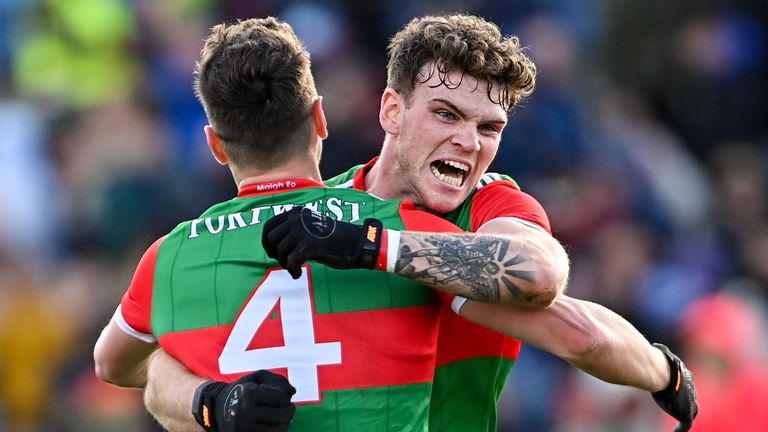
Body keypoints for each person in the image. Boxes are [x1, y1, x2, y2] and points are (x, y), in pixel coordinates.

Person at [139, 13, 697, 432]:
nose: (468, 142)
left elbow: (542, 280)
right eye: (446, 114)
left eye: (489, 127)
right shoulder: (313, 212)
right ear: (390, 111)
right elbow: (163, 364)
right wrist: (214, 403)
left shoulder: (488, 205)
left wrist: (664, 370)